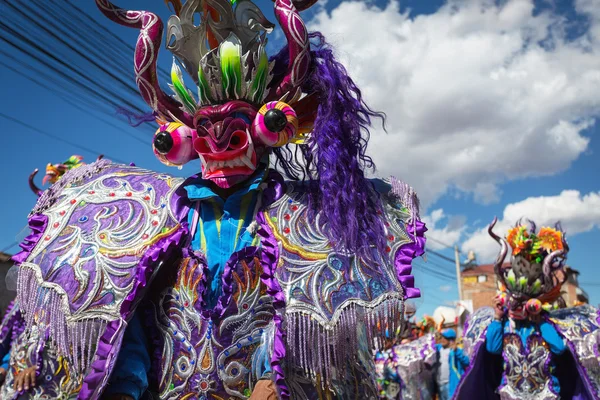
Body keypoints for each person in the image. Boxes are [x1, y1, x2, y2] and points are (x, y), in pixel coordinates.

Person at [6, 0, 427, 398]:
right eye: (207, 130)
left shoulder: (305, 213)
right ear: (184, 140)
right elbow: (129, 313)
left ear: (268, 129)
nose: (222, 140)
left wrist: (270, 379)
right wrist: (124, 386)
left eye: (237, 126)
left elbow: (301, 313)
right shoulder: (152, 212)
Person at [454, 218, 600, 399]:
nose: (520, 306)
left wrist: (540, 320)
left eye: (525, 301)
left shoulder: (546, 324)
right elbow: (492, 349)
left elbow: (559, 349)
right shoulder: (505, 325)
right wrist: (498, 317)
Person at [435, 329, 469, 400]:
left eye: (445, 338)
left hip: (451, 386)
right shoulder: (437, 348)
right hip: (440, 385)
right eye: (441, 337)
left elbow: (467, 362)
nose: (442, 339)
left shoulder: (457, 350)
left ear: (451, 340)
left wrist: (456, 351)